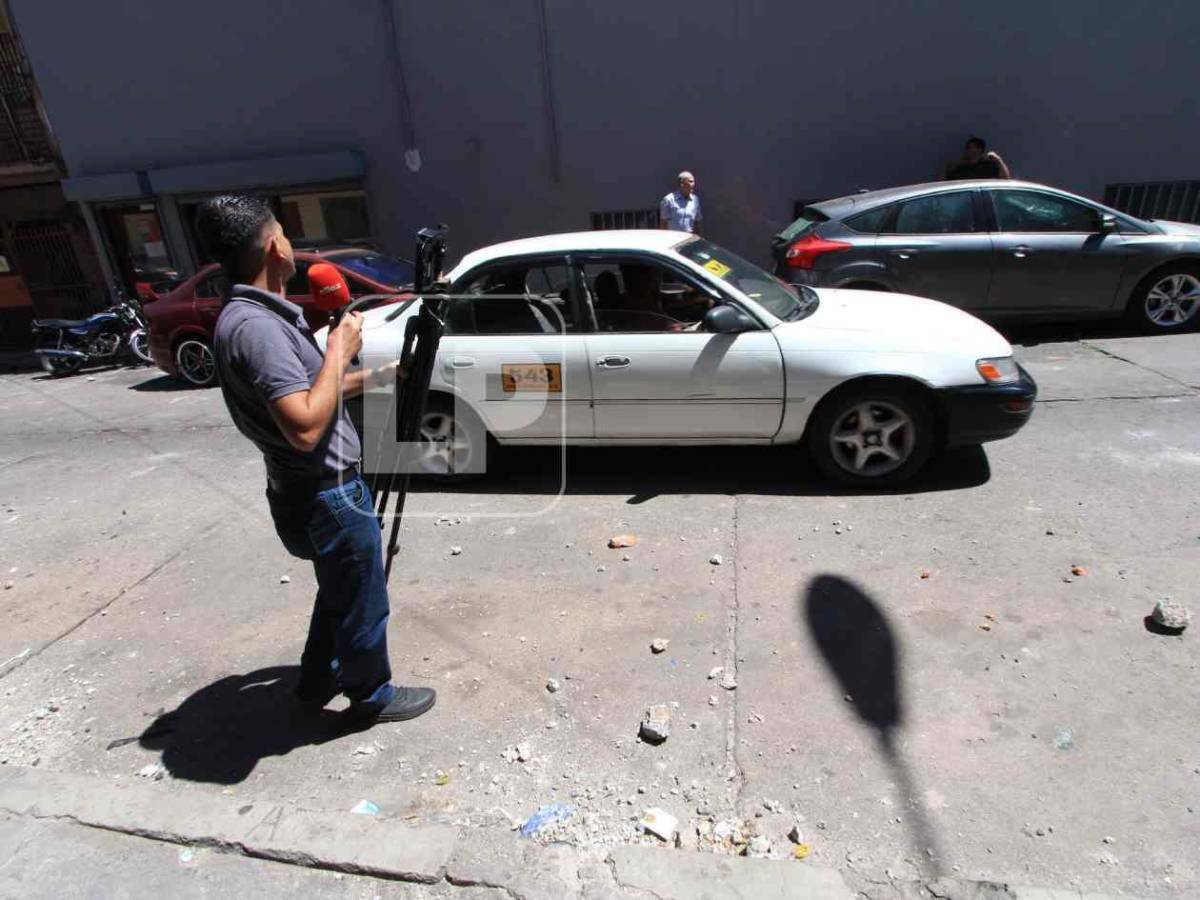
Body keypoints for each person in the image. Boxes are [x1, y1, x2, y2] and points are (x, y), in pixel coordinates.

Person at [195, 195, 436, 725]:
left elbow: (309, 395)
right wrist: (338, 352)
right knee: (363, 600)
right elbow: (304, 425)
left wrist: (374, 376)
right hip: (324, 491)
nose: (292, 243)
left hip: (308, 490)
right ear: (272, 245)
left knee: (339, 589)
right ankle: (371, 696)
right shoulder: (258, 329)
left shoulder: (254, 317)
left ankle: (316, 675)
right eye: (284, 231)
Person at [943, 136, 1012, 181]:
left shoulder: (988, 166)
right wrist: (947, 167)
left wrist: (999, 160)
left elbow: (1005, 179)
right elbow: (943, 183)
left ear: (979, 150)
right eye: (967, 148)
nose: (967, 150)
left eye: (969, 147)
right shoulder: (961, 167)